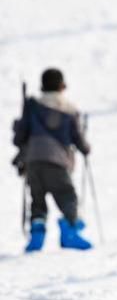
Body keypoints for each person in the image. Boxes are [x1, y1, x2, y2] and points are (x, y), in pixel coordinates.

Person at [12, 68, 92, 253]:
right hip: (57, 162)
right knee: (67, 195)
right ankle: (69, 232)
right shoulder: (69, 110)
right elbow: (78, 139)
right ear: (62, 86)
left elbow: (20, 136)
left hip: (33, 161)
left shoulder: (32, 107)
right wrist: (86, 149)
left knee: (37, 199)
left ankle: (37, 237)